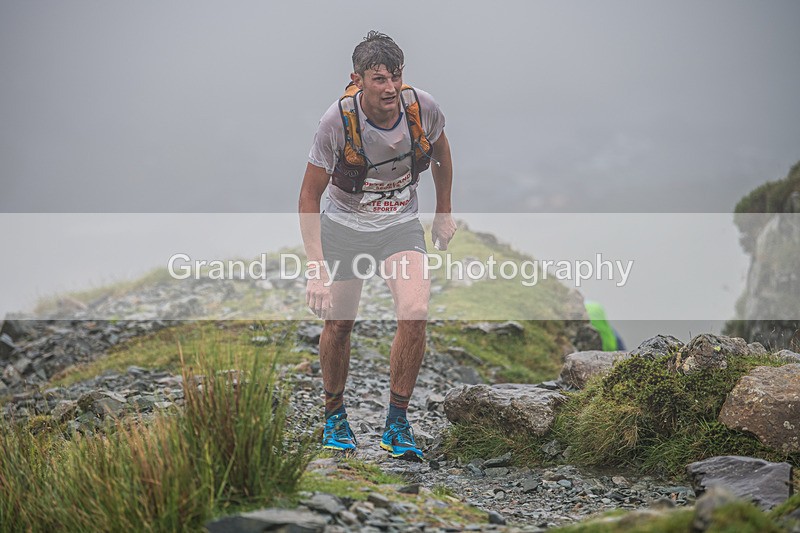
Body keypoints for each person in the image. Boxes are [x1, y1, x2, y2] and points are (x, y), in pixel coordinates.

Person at [298, 31, 456, 461]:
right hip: (345, 228)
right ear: (358, 79)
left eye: (396, 77)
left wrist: (443, 213)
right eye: (379, 79)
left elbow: (441, 155)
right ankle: (334, 415)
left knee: (416, 312)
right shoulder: (336, 122)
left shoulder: (422, 107)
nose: (390, 88)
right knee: (340, 325)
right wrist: (316, 270)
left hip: (399, 225)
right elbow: (308, 196)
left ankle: (397, 423)